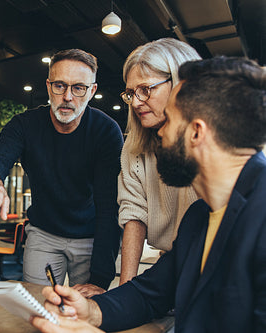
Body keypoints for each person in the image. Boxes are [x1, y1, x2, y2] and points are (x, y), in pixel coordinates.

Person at [31, 56, 266, 333]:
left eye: (170, 121)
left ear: (196, 133)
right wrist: (91, 311)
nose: (161, 132)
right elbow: (149, 293)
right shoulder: (200, 217)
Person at [0, 49, 123, 291]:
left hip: (90, 236)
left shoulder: (106, 131)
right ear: (48, 85)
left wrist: (100, 279)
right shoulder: (25, 124)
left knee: (84, 310)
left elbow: (109, 207)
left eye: (79, 88)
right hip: (43, 233)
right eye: (60, 86)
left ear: (92, 90)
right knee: (35, 306)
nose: (68, 97)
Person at [105, 38, 201, 291]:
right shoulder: (133, 147)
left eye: (146, 89)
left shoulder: (212, 141)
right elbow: (134, 215)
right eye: (131, 93)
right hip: (171, 264)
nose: (136, 102)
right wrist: (126, 288)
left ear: (180, 83)